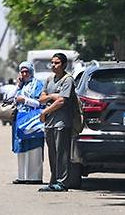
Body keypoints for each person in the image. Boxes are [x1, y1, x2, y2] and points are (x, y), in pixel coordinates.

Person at [38, 53, 76, 192]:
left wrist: (45, 111)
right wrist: (51, 96)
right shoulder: (49, 79)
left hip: (62, 123)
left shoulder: (68, 80)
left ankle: (62, 182)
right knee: (52, 154)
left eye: (57, 63)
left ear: (64, 65)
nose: (53, 65)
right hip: (49, 124)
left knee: (62, 153)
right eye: (52, 63)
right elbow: (41, 97)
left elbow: (61, 101)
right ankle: (53, 181)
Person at [7, 61, 45, 184]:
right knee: (22, 147)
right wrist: (18, 86)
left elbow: (40, 103)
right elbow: (7, 98)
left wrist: (25, 100)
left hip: (33, 120)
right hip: (20, 120)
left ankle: (34, 177)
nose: (24, 74)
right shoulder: (21, 86)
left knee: (34, 147)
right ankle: (22, 176)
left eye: (26, 71)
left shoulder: (38, 84)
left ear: (31, 72)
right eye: (22, 71)